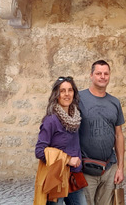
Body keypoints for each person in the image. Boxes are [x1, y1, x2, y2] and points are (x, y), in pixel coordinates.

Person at [78, 60, 125, 205]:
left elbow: (119, 135)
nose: (102, 77)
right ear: (91, 75)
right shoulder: (78, 99)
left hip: (109, 169)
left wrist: (120, 168)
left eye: (106, 73)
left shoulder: (114, 102)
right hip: (86, 169)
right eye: (98, 73)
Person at [35, 76, 87, 205]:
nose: (67, 94)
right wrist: (68, 160)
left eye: (70, 90)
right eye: (62, 91)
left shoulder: (76, 118)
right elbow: (39, 151)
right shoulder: (51, 120)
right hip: (56, 178)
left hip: (74, 177)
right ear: (56, 94)